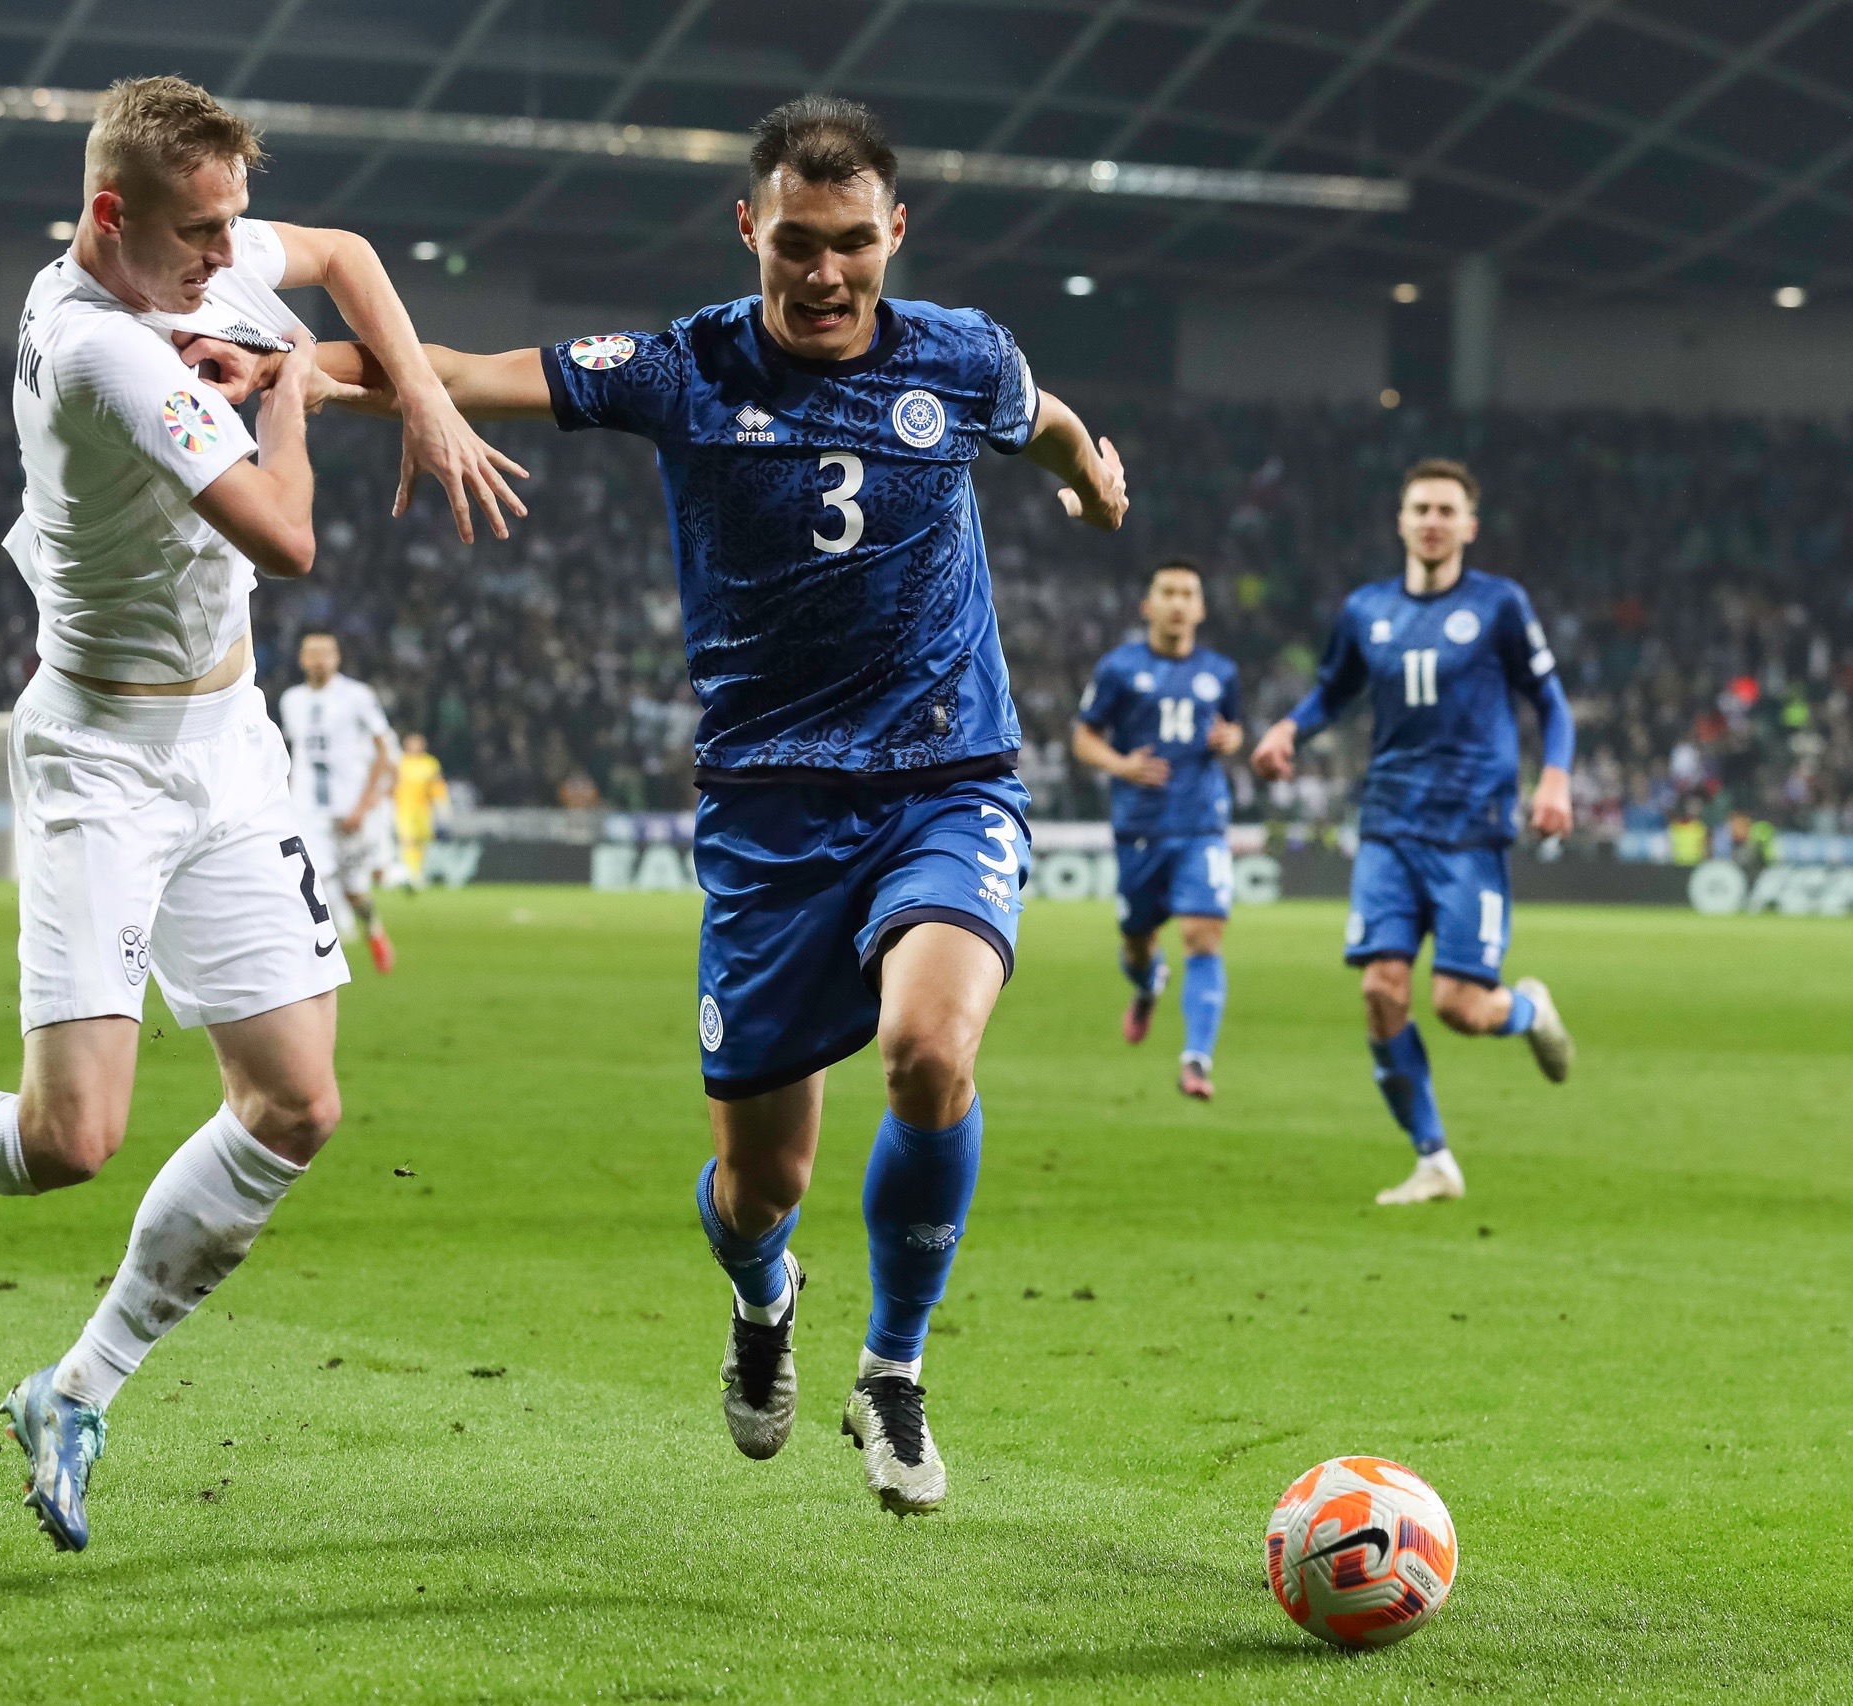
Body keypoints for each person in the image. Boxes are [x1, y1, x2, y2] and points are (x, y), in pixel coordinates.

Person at [199, 95, 1127, 1513]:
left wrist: (1089, 480)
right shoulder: (683, 366)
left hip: (945, 776)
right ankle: (764, 1297)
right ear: (749, 228)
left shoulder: (962, 355)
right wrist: (297, 370)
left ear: (896, 233)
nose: (826, 274)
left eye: (854, 243)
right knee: (761, 1187)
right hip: (767, 814)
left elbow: (1042, 419)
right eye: (797, 243)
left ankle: (893, 1366)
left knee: (929, 1051)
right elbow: (467, 369)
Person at [0, 75, 526, 1554]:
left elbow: (344, 258)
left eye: (233, 224)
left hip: (230, 742)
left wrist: (421, 389)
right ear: (109, 214)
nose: (227, 255)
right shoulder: (98, 354)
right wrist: (295, 393)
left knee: (297, 1103)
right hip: (103, 756)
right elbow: (290, 536)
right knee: (70, 1135)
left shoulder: (188, 269)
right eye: (199, 234)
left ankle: (75, 1387)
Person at [1250, 458, 1576, 1207]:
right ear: (1400, 521)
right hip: (1390, 825)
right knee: (1381, 990)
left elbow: (1551, 701)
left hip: (1470, 830)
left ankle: (1529, 1011)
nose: (1432, 521)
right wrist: (1289, 730)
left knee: (1462, 1007)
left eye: (1446, 510)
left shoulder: (1499, 605)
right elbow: (1333, 690)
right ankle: (1434, 1160)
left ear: (1470, 526)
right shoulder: (1366, 609)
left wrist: (1555, 778)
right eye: (1421, 508)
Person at [1070, 560, 1241, 1099]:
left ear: (1201, 608)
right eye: (1168, 592)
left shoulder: (1220, 672)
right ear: (1148, 606)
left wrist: (1231, 740)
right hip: (1140, 827)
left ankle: (1196, 1060)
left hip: (1201, 823)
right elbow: (1084, 737)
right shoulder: (1119, 668)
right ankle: (1148, 986)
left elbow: (1232, 728)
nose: (1178, 602)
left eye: (1188, 593)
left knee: (1203, 935)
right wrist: (1121, 766)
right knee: (1137, 945)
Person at [276, 630, 401, 970]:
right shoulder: (291, 700)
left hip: (348, 808)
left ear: (337, 658)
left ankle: (373, 930)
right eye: (311, 653)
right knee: (310, 875)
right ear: (301, 659)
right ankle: (326, 944)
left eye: (325, 653)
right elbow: (292, 752)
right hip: (307, 808)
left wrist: (364, 805)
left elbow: (384, 749)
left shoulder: (357, 696)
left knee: (354, 890)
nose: (318, 660)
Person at [392, 731, 449, 885]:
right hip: (404, 809)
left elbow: (437, 785)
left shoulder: (430, 763)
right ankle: (410, 873)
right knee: (407, 840)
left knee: (421, 842)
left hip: (423, 809)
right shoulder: (399, 762)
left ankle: (417, 871)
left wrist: (442, 804)